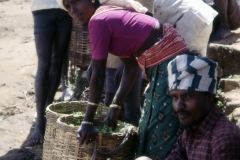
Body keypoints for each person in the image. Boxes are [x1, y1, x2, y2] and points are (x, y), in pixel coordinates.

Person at [56, 0, 189, 159]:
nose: (73, 10)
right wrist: (116, 104)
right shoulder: (105, 15)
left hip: (168, 59)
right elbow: (131, 67)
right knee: (149, 120)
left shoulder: (98, 20)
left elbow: (98, 76)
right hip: (165, 59)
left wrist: (87, 122)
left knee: (160, 126)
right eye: (68, 8)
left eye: (75, 2)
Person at [165, 54, 240, 159]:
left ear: (210, 96)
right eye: (175, 97)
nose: (178, 106)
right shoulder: (192, 128)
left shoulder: (223, 140)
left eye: (187, 96)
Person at [30, 0, 72, 143]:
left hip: (67, 9)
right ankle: (40, 122)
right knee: (44, 63)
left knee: (58, 60)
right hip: (42, 9)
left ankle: (47, 108)